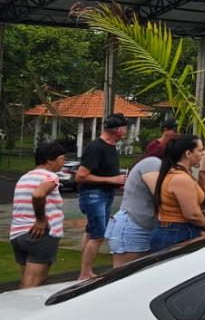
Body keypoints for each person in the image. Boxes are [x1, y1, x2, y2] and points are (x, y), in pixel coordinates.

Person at [76, 113, 129, 282]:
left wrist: (116, 181)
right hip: (94, 194)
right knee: (99, 234)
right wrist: (111, 179)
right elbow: (81, 176)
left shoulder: (111, 146)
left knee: (91, 231)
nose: (126, 132)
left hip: (105, 193)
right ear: (119, 130)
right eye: (125, 128)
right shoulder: (96, 147)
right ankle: (84, 273)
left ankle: (86, 269)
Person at [10, 140, 67, 289]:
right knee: (34, 283)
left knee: (25, 281)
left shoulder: (25, 177)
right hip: (39, 235)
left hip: (18, 235)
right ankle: (27, 311)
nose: (63, 163)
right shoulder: (50, 177)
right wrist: (41, 220)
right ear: (49, 160)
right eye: (62, 159)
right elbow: (38, 194)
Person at [105, 152, 164, 269]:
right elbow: (161, 196)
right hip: (132, 225)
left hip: (140, 226)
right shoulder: (153, 163)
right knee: (124, 275)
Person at [152, 135, 205, 250]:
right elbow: (192, 214)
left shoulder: (175, 174)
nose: (203, 153)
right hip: (178, 232)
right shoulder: (181, 179)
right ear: (188, 153)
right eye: (200, 150)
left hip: (174, 230)